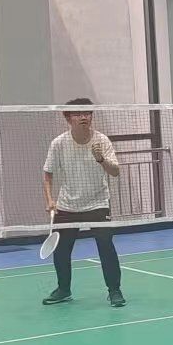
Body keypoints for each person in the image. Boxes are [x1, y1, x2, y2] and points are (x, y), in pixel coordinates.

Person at [41, 98, 125, 308]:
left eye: (87, 113)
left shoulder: (102, 141)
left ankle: (114, 291)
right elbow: (48, 173)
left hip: (97, 203)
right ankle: (63, 289)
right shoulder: (59, 143)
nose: (84, 117)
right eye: (78, 114)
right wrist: (50, 199)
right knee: (61, 250)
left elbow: (115, 172)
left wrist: (101, 159)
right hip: (67, 205)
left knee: (106, 246)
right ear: (68, 118)